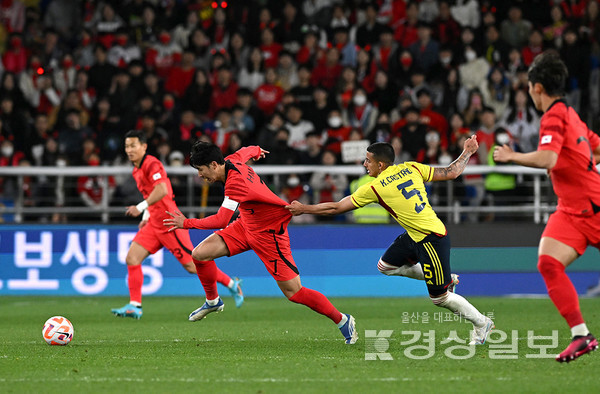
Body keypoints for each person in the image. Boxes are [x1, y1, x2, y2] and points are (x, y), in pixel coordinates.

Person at [286, 137, 494, 345]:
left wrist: (305, 209)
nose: (365, 164)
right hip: (415, 234)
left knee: (440, 299)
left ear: (380, 164)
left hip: (431, 238)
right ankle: (445, 276)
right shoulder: (411, 167)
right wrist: (467, 151)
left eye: (368, 161)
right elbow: (452, 172)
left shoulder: (376, 188)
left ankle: (481, 323)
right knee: (385, 266)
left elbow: (336, 207)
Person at [163, 142, 357, 344]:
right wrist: (257, 150)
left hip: (269, 234)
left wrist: (185, 223)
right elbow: (244, 151)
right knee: (199, 254)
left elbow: (221, 220)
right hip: (246, 225)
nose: (200, 176)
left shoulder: (235, 182)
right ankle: (212, 301)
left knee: (294, 292)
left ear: (213, 164)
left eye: (201, 170)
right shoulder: (230, 161)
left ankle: (343, 320)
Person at [493, 51, 599, 363]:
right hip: (570, 210)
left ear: (537, 88)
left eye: (528, 86)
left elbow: (548, 158)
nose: (528, 92)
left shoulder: (554, 116)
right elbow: (594, 144)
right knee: (549, 263)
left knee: (549, 264)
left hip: (593, 209)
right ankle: (581, 335)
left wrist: (513, 156)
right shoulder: (571, 114)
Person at [111, 130, 243, 319]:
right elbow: (151, 195)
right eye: (126, 146)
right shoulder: (137, 169)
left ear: (144, 146)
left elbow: (162, 190)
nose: (129, 150)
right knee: (132, 258)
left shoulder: (152, 164)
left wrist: (140, 207)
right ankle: (135, 306)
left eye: (133, 145)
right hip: (153, 223)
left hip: (168, 222)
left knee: (192, 265)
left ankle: (231, 284)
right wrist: (146, 216)